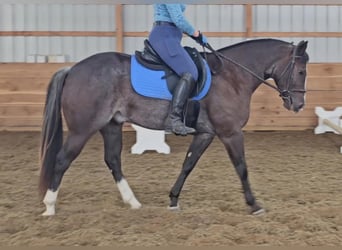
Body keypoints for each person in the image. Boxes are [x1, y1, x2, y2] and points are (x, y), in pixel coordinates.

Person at [148, 4, 208, 136]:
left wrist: (194, 35)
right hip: (165, 36)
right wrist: (196, 33)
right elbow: (178, 19)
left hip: (170, 36)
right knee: (190, 72)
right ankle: (174, 120)